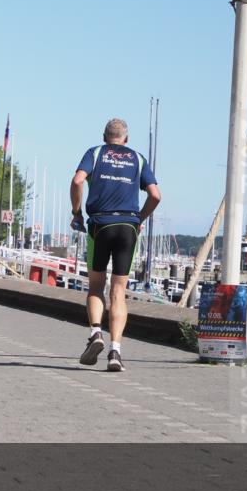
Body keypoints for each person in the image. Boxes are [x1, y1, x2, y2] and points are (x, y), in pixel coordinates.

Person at [70, 118, 161, 372]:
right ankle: (115, 352)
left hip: (101, 224)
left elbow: (77, 181)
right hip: (128, 227)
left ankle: (96, 333)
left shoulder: (95, 153)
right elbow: (155, 195)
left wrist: (77, 212)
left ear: (104, 136)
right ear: (126, 139)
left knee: (97, 286)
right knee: (119, 291)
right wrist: (139, 219)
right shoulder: (138, 158)